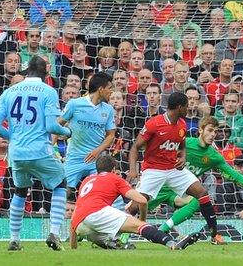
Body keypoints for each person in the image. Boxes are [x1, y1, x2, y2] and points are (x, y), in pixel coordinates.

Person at [146, 117, 243, 238]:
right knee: (133, 210)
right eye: (210, 130)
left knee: (196, 202)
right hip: (159, 186)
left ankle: (162, 230)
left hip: (178, 193)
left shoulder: (214, 156)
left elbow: (235, 176)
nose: (213, 134)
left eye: (215, 132)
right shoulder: (185, 143)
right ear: (200, 130)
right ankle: (124, 239)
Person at [0, 55, 72, 251]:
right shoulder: (48, 91)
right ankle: (54, 232)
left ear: (26, 71)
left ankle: (14, 239)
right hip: (40, 151)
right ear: (46, 72)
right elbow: (52, 126)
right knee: (60, 183)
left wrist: (12, 137)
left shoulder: (9, 92)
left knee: (20, 190)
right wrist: (67, 132)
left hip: (17, 153)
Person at [126, 92, 221, 244]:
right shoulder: (154, 123)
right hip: (154, 170)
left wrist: (182, 157)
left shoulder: (182, 124)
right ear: (179, 107)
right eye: (186, 106)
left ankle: (215, 235)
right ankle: (118, 236)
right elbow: (135, 147)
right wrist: (132, 170)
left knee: (202, 193)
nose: (188, 109)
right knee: (137, 205)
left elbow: (181, 146)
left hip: (174, 169)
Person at [70, 155, 199, 250]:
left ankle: (117, 246)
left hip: (80, 224)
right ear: (114, 169)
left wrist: (73, 247)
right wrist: (142, 221)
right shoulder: (115, 178)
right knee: (139, 226)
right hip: (97, 213)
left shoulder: (87, 180)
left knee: (103, 237)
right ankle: (172, 243)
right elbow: (142, 201)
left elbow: (76, 212)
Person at [58, 72, 116, 197]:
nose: (112, 92)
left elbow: (111, 135)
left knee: (102, 191)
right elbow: (58, 124)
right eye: (110, 88)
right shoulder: (75, 104)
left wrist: (98, 150)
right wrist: (52, 146)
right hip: (74, 157)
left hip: (96, 159)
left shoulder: (108, 109)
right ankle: (56, 215)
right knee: (63, 189)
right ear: (101, 89)